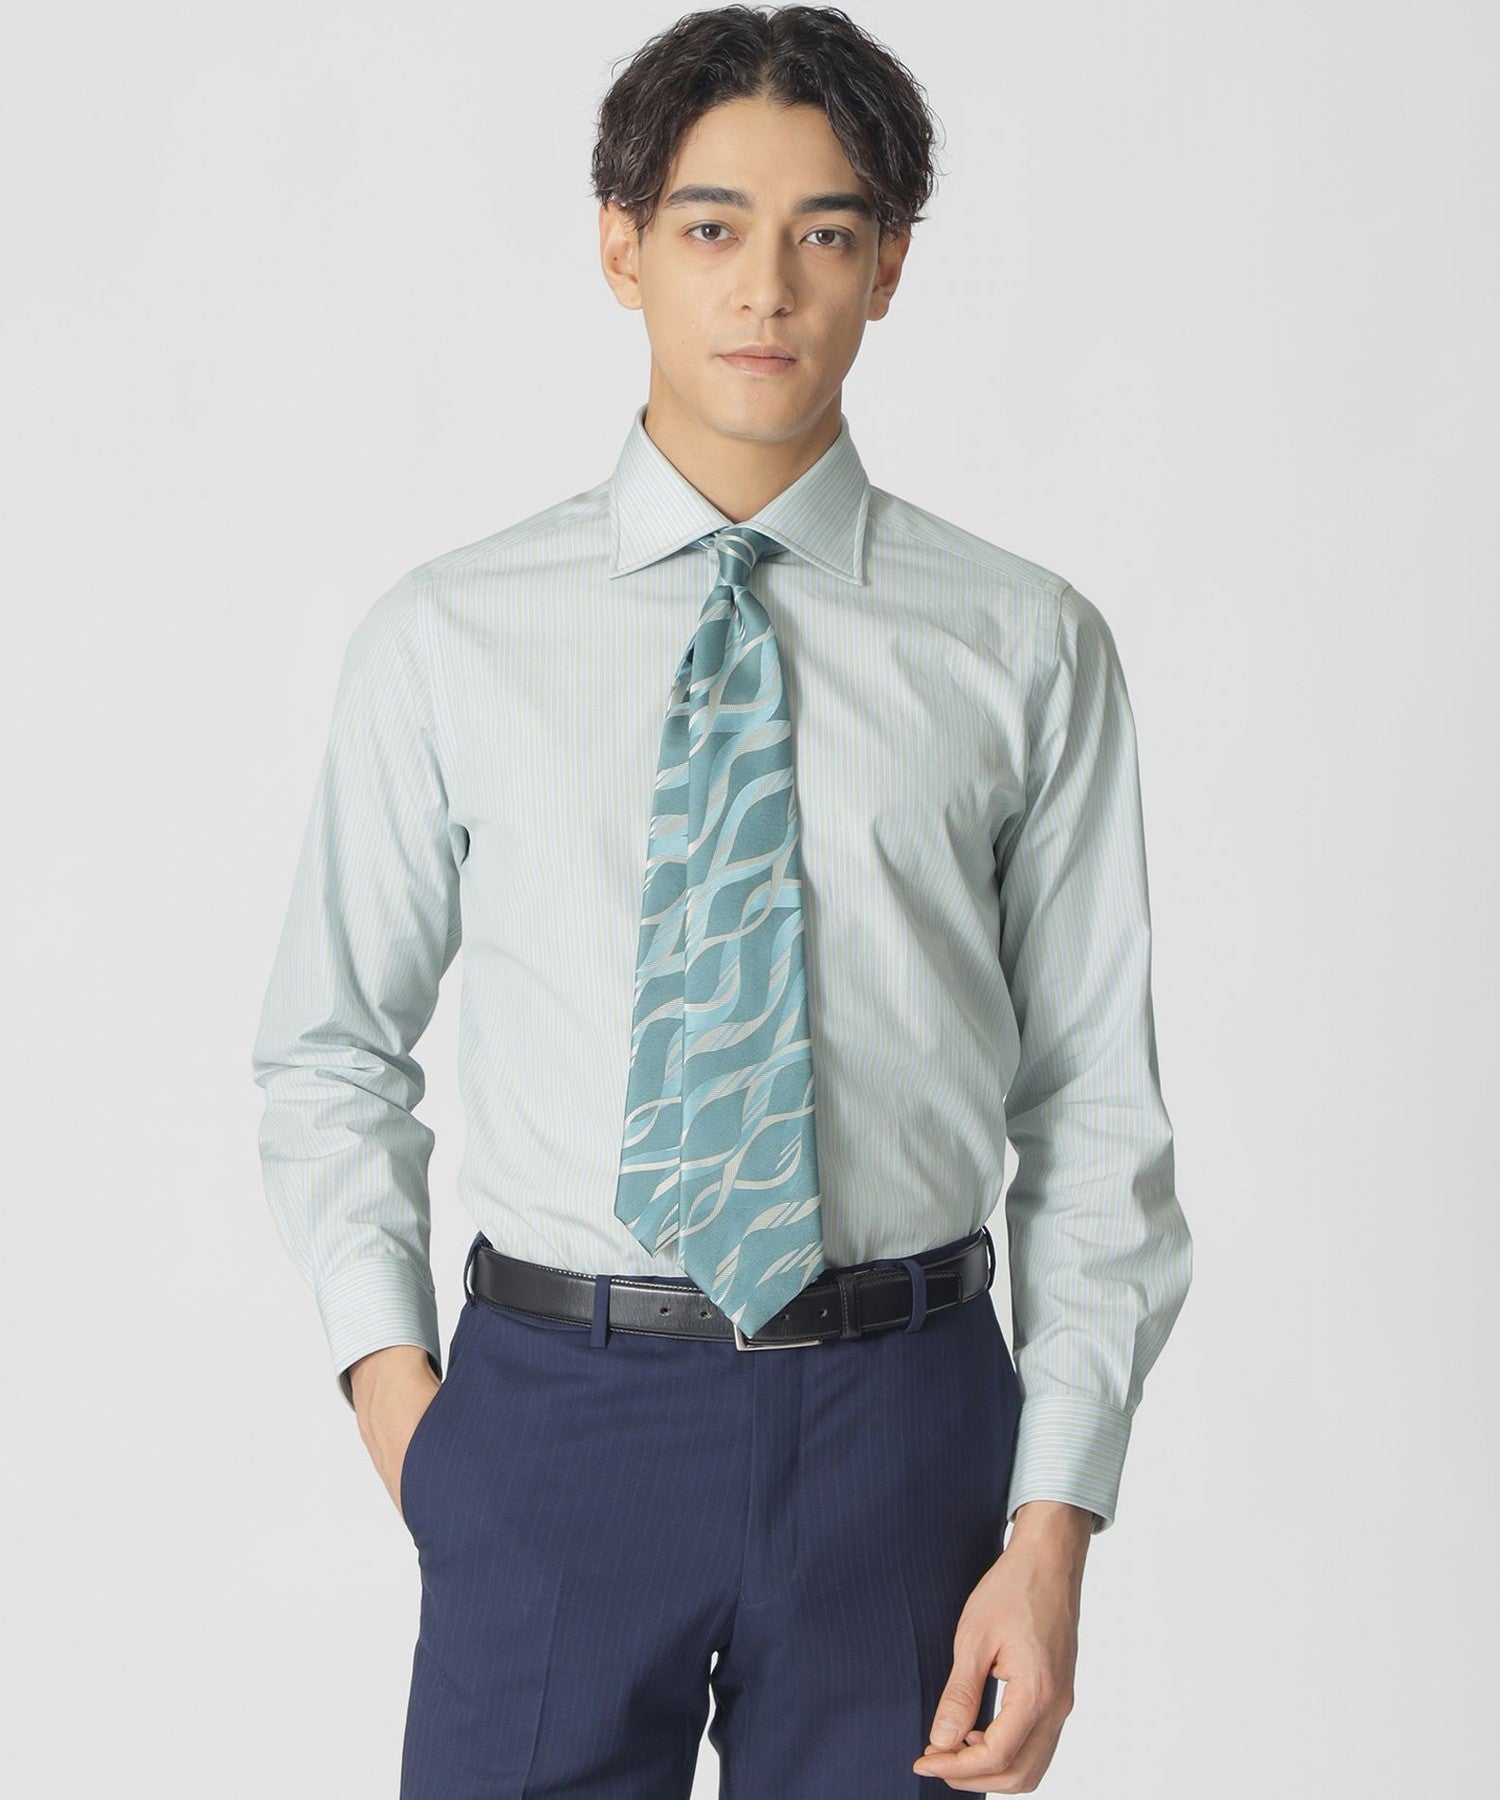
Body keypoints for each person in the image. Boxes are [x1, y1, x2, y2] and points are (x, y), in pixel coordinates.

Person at [251, 5, 1193, 1793]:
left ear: (890, 266)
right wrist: (411, 1420)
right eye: (710, 226)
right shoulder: (449, 639)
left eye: (826, 231)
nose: (767, 286)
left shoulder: (1025, 647)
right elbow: (328, 1050)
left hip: (903, 1424)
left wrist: (1056, 1525)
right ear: (621, 247)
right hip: (554, 1416)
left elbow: (1098, 1108)